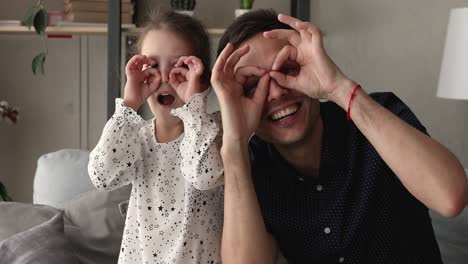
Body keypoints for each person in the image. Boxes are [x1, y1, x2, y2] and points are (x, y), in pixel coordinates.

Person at [211, 9, 468, 264]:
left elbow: (450, 198)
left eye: (287, 69)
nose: (276, 93)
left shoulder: (379, 115)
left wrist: (336, 86)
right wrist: (234, 143)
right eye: (253, 86)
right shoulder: (252, 167)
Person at [88, 11, 224, 264]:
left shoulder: (215, 133)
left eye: (180, 67)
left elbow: (205, 176)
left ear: (203, 78)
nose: (164, 78)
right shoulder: (136, 137)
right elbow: (101, 176)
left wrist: (194, 106)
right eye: (151, 67)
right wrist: (128, 104)